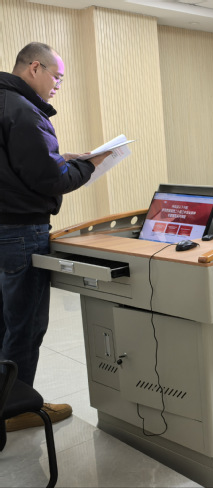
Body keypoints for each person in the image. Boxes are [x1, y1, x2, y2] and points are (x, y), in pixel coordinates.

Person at [1, 42, 111, 431]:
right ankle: (15, 410)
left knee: (4, 321)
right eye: (57, 77)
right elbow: (50, 180)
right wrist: (92, 164)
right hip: (20, 230)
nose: (58, 86)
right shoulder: (24, 112)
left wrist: (62, 158)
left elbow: (13, 165)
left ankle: (4, 397)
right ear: (35, 68)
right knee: (25, 324)